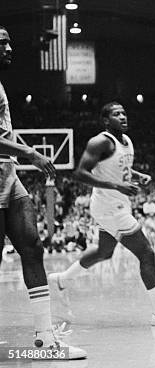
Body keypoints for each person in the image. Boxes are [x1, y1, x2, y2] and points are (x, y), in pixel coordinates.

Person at [48, 102, 155, 326]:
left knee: (105, 252)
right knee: (146, 253)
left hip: (117, 203)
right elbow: (80, 173)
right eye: (116, 114)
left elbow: (117, 168)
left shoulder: (126, 141)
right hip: (109, 206)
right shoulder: (100, 141)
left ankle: (61, 280)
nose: (123, 117)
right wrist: (117, 186)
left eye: (124, 113)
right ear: (106, 120)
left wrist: (137, 175)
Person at [0, 25, 86, 358]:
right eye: (2, 44)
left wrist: (24, 154)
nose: (9, 49)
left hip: (9, 177)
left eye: (9, 42)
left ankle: (45, 337)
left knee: (33, 247)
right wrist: (30, 153)